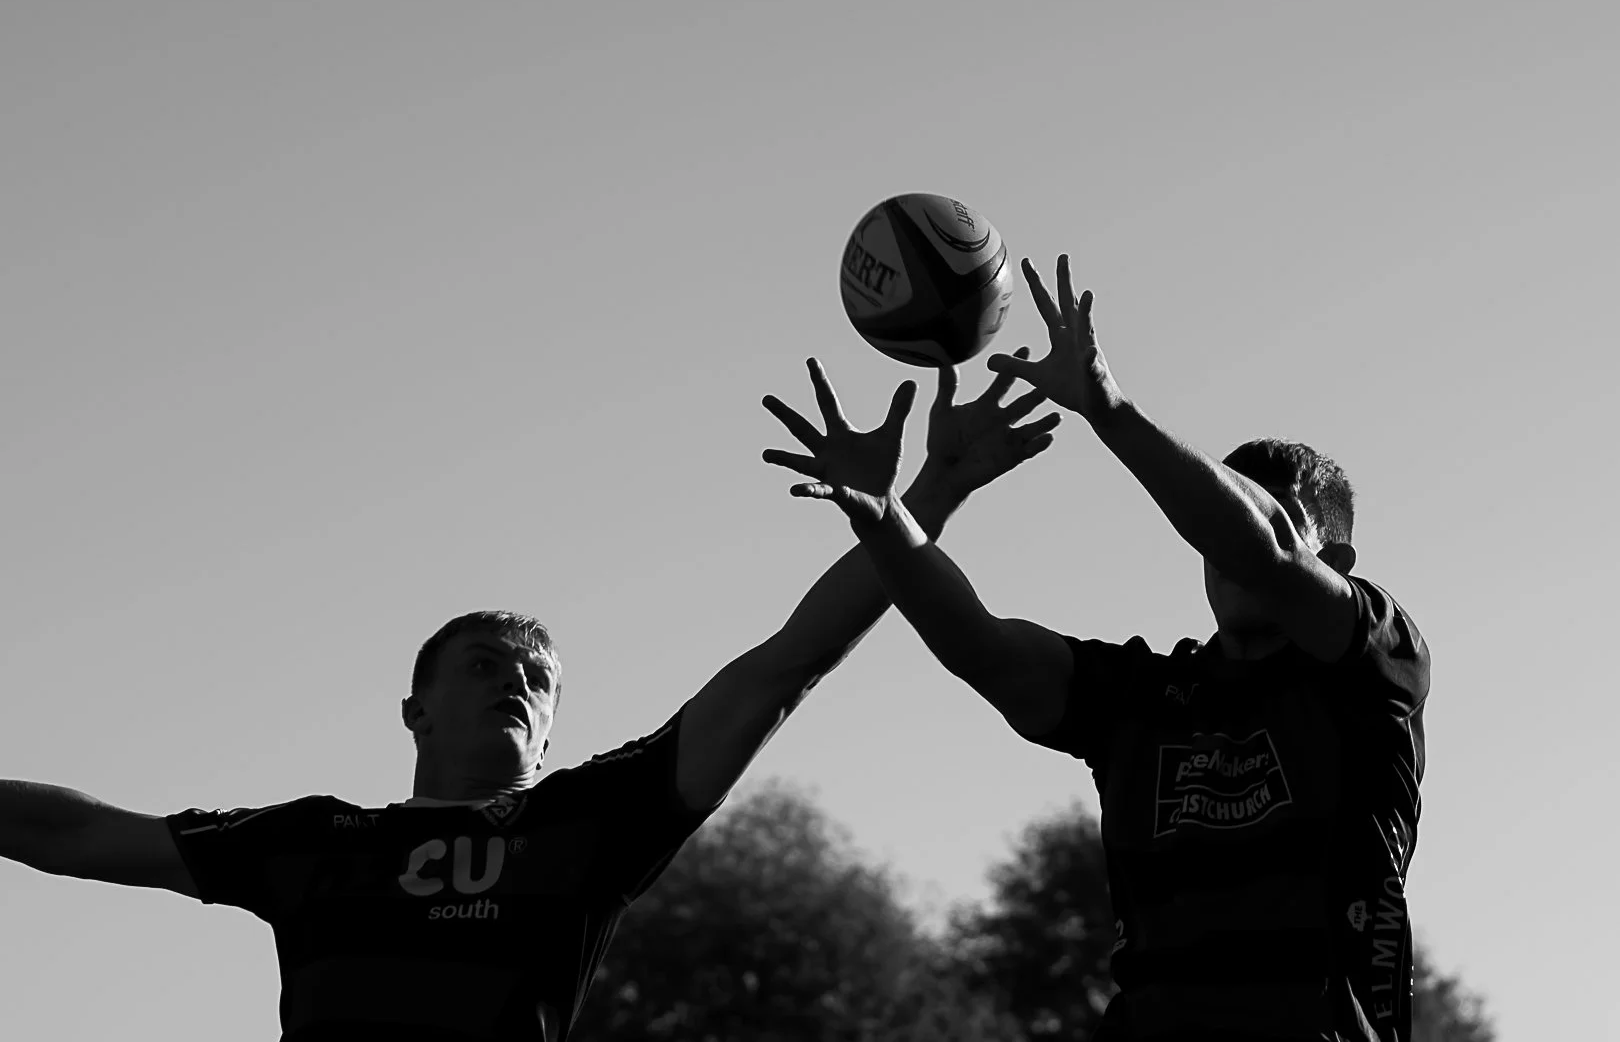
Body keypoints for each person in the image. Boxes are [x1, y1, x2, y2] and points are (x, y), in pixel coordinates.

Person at [0, 360, 1060, 1042]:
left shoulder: (593, 822)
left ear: (552, 733)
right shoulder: (310, 843)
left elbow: (788, 665)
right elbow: (66, 832)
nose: (513, 680)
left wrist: (913, 502)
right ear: (411, 712)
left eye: (536, 680)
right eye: (478, 666)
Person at [763, 255, 1430, 1042]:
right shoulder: (1143, 698)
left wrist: (1108, 408)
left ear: (1341, 566)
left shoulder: (1372, 664)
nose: (1227, 547)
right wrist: (886, 514)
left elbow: (1268, 554)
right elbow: (984, 649)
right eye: (1219, 524)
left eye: (1266, 516)